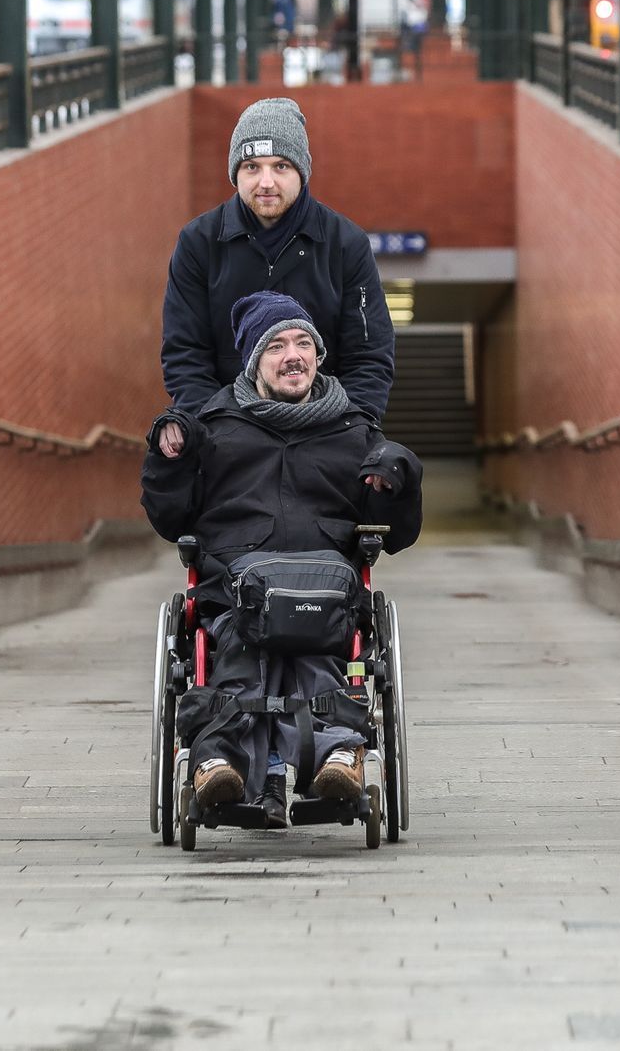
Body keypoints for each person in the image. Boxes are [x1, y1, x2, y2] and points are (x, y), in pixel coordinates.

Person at [143, 291, 422, 827]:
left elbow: (398, 534)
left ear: (318, 355)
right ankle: (217, 762)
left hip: (325, 593)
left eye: (303, 343)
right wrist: (169, 456)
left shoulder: (353, 431)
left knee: (318, 643)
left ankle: (339, 757)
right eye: (276, 345)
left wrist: (397, 476)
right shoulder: (216, 428)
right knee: (240, 645)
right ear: (253, 360)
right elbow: (169, 517)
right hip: (235, 587)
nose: (293, 354)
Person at [160, 96, 394, 455]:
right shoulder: (198, 243)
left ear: (301, 170)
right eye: (252, 167)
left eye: (281, 166)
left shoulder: (346, 244)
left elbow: (369, 356)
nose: (265, 182)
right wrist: (218, 430)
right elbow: (185, 353)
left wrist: (346, 432)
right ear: (235, 172)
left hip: (324, 440)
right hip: (227, 443)